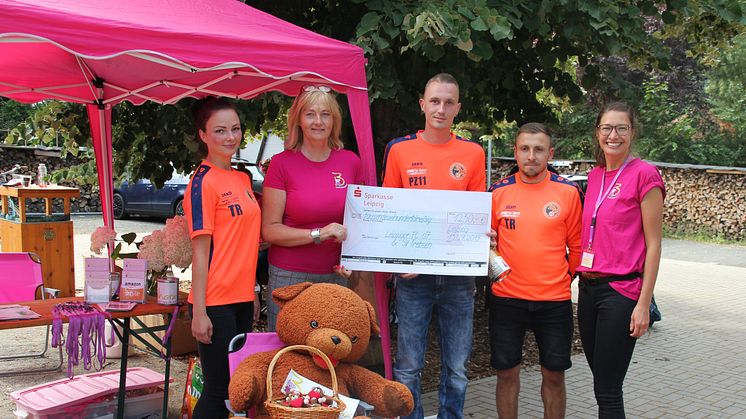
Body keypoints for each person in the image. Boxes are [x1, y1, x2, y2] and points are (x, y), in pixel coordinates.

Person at [382, 73, 486, 419]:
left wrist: (483, 235)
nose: (441, 108)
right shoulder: (399, 150)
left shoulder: (472, 153)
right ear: (423, 104)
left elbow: (476, 214)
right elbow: (389, 215)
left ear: (458, 108)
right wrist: (397, 262)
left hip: (459, 279)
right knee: (409, 366)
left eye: (448, 102)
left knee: (456, 368)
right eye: (435, 101)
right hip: (413, 279)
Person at [576, 102, 665, 418]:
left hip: (621, 293)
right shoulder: (596, 175)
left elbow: (654, 245)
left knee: (608, 390)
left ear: (632, 132)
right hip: (588, 291)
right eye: (607, 128)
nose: (613, 135)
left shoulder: (645, 174)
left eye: (621, 128)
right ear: (598, 133)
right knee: (602, 384)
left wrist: (643, 304)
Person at [488, 123, 582, 418]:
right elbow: (487, 245)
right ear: (515, 152)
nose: (532, 156)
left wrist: (563, 277)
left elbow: (577, 248)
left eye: (539, 149)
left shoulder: (568, 192)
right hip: (507, 300)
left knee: (554, 375)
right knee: (506, 374)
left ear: (550, 153)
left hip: (554, 302)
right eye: (525, 149)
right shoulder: (497, 193)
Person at [261, 85, 363, 331]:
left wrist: (353, 261)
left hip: (335, 276)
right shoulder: (281, 164)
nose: (318, 121)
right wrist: (318, 234)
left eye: (325, 114)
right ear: (298, 120)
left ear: (334, 120)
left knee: (331, 356)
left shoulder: (350, 162)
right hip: (289, 275)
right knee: (287, 353)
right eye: (310, 114)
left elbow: (360, 223)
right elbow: (270, 231)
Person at [183, 97, 261, 419]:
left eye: (235, 129)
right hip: (214, 302)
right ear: (203, 135)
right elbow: (200, 255)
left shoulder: (242, 179)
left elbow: (246, 241)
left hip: (242, 298)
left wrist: (253, 291)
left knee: (236, 390)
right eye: (220, 130)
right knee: (219, 389)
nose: (230, 137)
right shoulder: (201, 183)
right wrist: (199, 313)